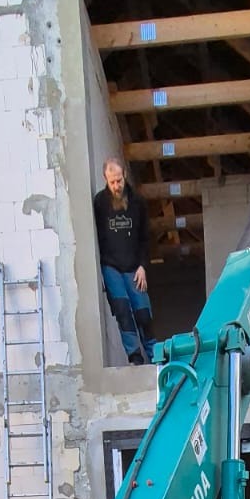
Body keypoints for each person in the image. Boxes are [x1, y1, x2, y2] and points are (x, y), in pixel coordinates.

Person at [93, 156, 155, 366]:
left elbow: (146, 238)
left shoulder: (138, 203)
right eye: (112, 182)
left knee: (142, 313)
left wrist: (143, 266)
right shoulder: (100, 203)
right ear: (106, 180)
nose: (117, 186)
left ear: (124, 176)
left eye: (119, 180)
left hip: (134, 267)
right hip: (111, 267)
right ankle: (135, 356)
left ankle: (155, 354)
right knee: (122, 311)